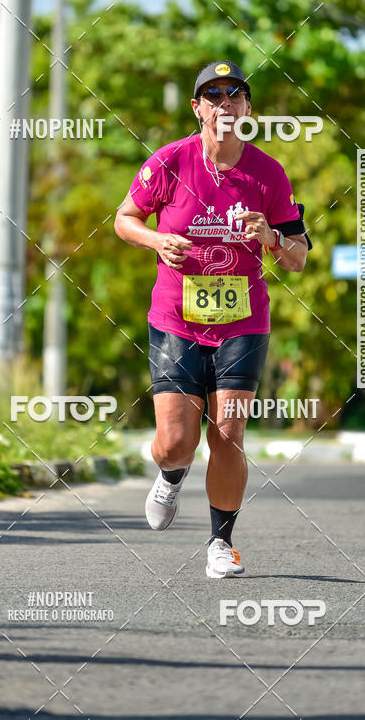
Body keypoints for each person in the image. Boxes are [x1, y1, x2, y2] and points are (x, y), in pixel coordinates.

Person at [114, 60, 311, 578]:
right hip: (176, 319)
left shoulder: (267, 173)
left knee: (228, 432)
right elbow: (124, 220)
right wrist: (158, 239)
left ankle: (221, 543)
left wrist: (269, 237)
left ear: (247, 109)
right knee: (177, 443)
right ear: (198, 108)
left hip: (243, 321)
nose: (226, 103)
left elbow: (298, 255)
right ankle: (170, 474)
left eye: (235, 95)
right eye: (214, 95)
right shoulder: (170, 161)